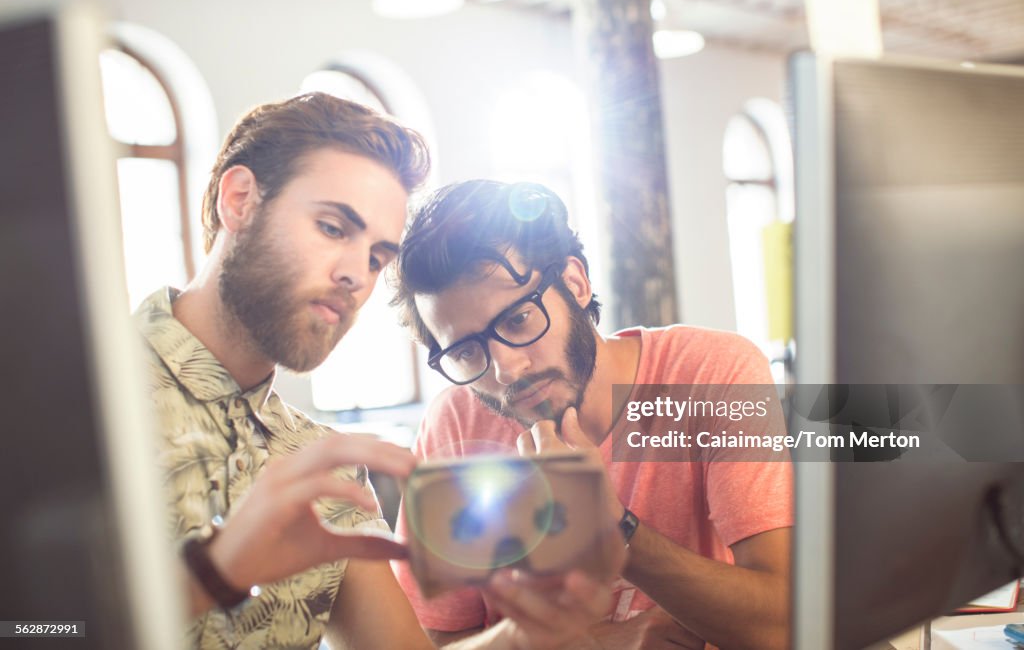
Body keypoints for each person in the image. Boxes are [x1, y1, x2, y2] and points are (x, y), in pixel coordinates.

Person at [136, 94, 617, 649]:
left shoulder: (325, 467)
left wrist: (520, 637)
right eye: (334, 228)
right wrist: (208, 577)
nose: (355, 277)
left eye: (375, 258)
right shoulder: (55, 399)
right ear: (240, 199)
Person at [390, 180, 794, 649]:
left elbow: (780, 626)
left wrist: (617, 530)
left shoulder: (710, 371)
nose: (505, 369)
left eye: (517, 319)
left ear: (575, 283)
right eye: (464, 351)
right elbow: (434, 642)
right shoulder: (455, 428)